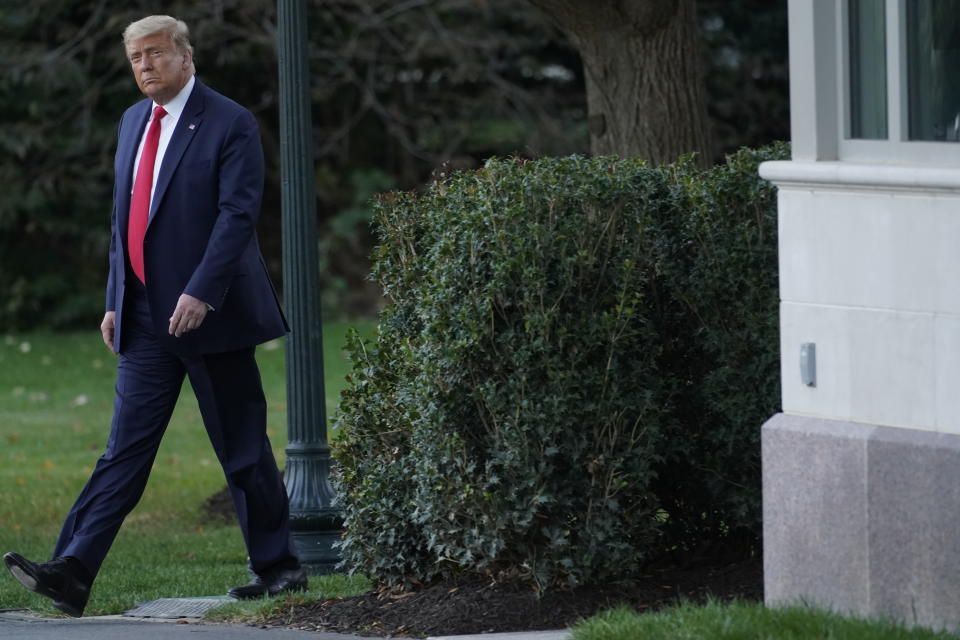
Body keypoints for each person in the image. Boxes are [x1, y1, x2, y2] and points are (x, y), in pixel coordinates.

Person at [3, 15, 305, 617]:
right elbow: (126, 217)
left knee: (241, 448)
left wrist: (201, 291)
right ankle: (71, 571)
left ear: (186, 56)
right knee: (123, 450)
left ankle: (279, 568)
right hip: (142, 318)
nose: (145, 65)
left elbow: (236, 216)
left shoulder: (230, 122)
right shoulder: (132, 121)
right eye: (136, 57)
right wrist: (116, 297)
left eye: (157, 53)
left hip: (209, 315)